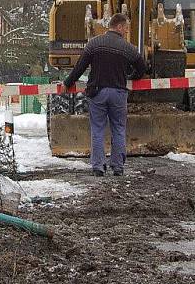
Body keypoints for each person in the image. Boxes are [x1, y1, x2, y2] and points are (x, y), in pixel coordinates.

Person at [62, 13, 146, 177]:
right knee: (119, 129)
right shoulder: (128, 48)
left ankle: (98, 167)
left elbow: (80, 67)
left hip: (98, 92)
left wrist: (68, 82)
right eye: (126, 28)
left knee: (98, 129)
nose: (127, 31)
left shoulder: (94, 43)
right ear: (119, 27)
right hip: (118, 93)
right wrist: (131, 77)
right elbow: (141, 68)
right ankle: (118, 167)